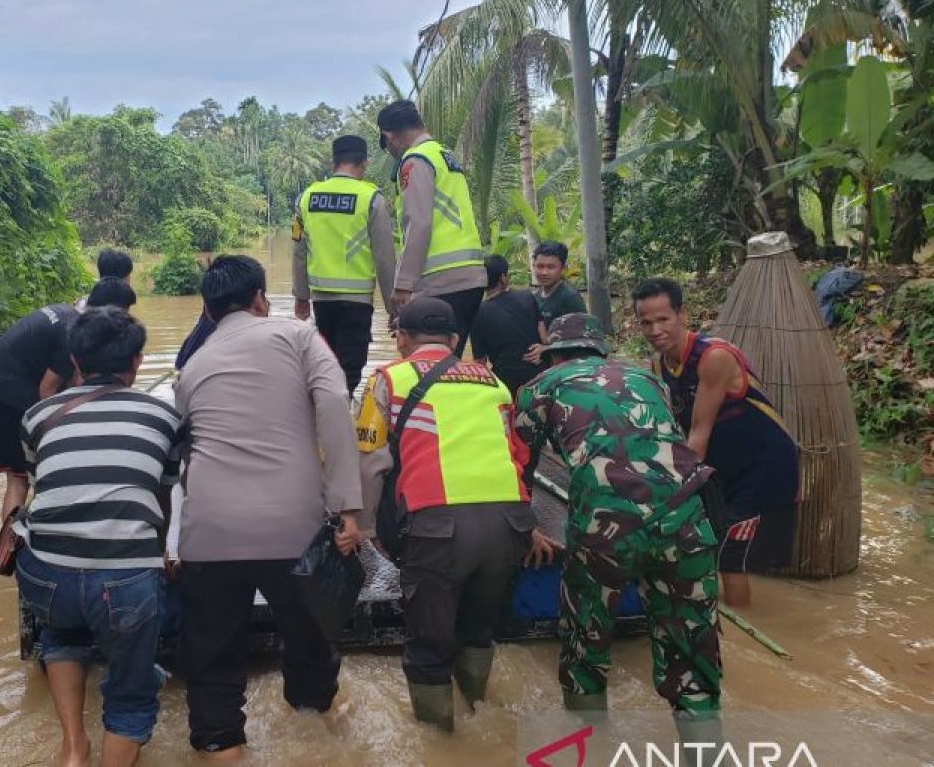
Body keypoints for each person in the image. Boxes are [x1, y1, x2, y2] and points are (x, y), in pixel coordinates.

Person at [174, 255, 362, 759]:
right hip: (292, 528)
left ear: (209, 311)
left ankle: (219, 744)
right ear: (261, 298)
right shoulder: (298, 336)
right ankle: (313, 725)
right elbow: (334, 406)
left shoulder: (192, 365)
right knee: (310, 638)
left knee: (212, 659)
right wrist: (347, 506)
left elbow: (185, 451)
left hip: (208, 533)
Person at [513, 313, 722, 746]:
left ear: (553, 354)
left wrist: (525, 526)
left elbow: (518, 465)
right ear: (600, 350)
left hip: (604, 529)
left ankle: (593, 746)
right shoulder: (648, 379)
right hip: (687, 522)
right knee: (693, 658)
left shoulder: (541, 386)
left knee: (585, 643)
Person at [355, 296, 554, 732]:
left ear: (402, 338)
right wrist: (531, 527)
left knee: (428, 646)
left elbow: (369, 461)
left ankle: (441, 744)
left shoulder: (387, 379)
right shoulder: (494, 382)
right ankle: (480, 712)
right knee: (479, 630)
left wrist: (367, 527)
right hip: (509, 525)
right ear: (453, 340)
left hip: (438, 528)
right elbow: (516, 456)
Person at [14, 307, 182, 767]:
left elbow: (41, 486)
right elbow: (161, 500)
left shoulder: (37, 416)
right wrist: (161, 551)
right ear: (137, 363)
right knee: (130, 692)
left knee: (60, 634)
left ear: (75, 361)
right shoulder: (164, 417)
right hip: (124, 579)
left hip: (46, 571)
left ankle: (73, 748)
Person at [632, 277, 800, 608]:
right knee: (705, 541)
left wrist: (669, 496)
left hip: (762, 466)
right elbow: (668, 430)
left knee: (729, 554)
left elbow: (698, 433)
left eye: (663, 319)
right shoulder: (657, 364)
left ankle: (743, 631)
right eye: (646, 322)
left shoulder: (714, 357)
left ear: (683, 314)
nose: (655, 330)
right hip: (721, 466)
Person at [0, 279, 136, 523]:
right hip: (8, 397)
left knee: (26, 475)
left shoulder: (67, 312)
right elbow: (47, 392)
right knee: (21, 480)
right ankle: (9, 548)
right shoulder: (71, 332)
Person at [377, 99, 486, 356]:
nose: (389, 149)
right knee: (450, 360)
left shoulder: (414, 160)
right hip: (470, 279)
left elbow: (419, 223)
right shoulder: (444, 155)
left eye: (385, 143)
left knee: (428, 362)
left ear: (388, 135)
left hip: (441, 280)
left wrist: (403, 284)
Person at [293, 134, 397, 394]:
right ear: (364, 164)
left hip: (321, 301)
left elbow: (298, 252)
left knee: (325, 367)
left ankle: (324, 423)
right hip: (357, 302)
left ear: (333, 163)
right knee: (349, 372)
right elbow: (384, 258)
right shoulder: (372, 198)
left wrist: (301, 296)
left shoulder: (307, 197)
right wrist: (394, 309)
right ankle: (340, 425)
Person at [469, 254, 549, 396]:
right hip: (539, 375)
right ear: (503, 278)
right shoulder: (527, 296)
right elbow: (545, 338)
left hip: (506, 383)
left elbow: (480, 362)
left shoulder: (477, 313)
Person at [531, 241, 586, 327]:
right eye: (540, 266)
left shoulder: (570, 298)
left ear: (563, 268)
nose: (544, 272)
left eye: (551, 267)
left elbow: (580, 334)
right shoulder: (534, 296)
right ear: (534, 266)